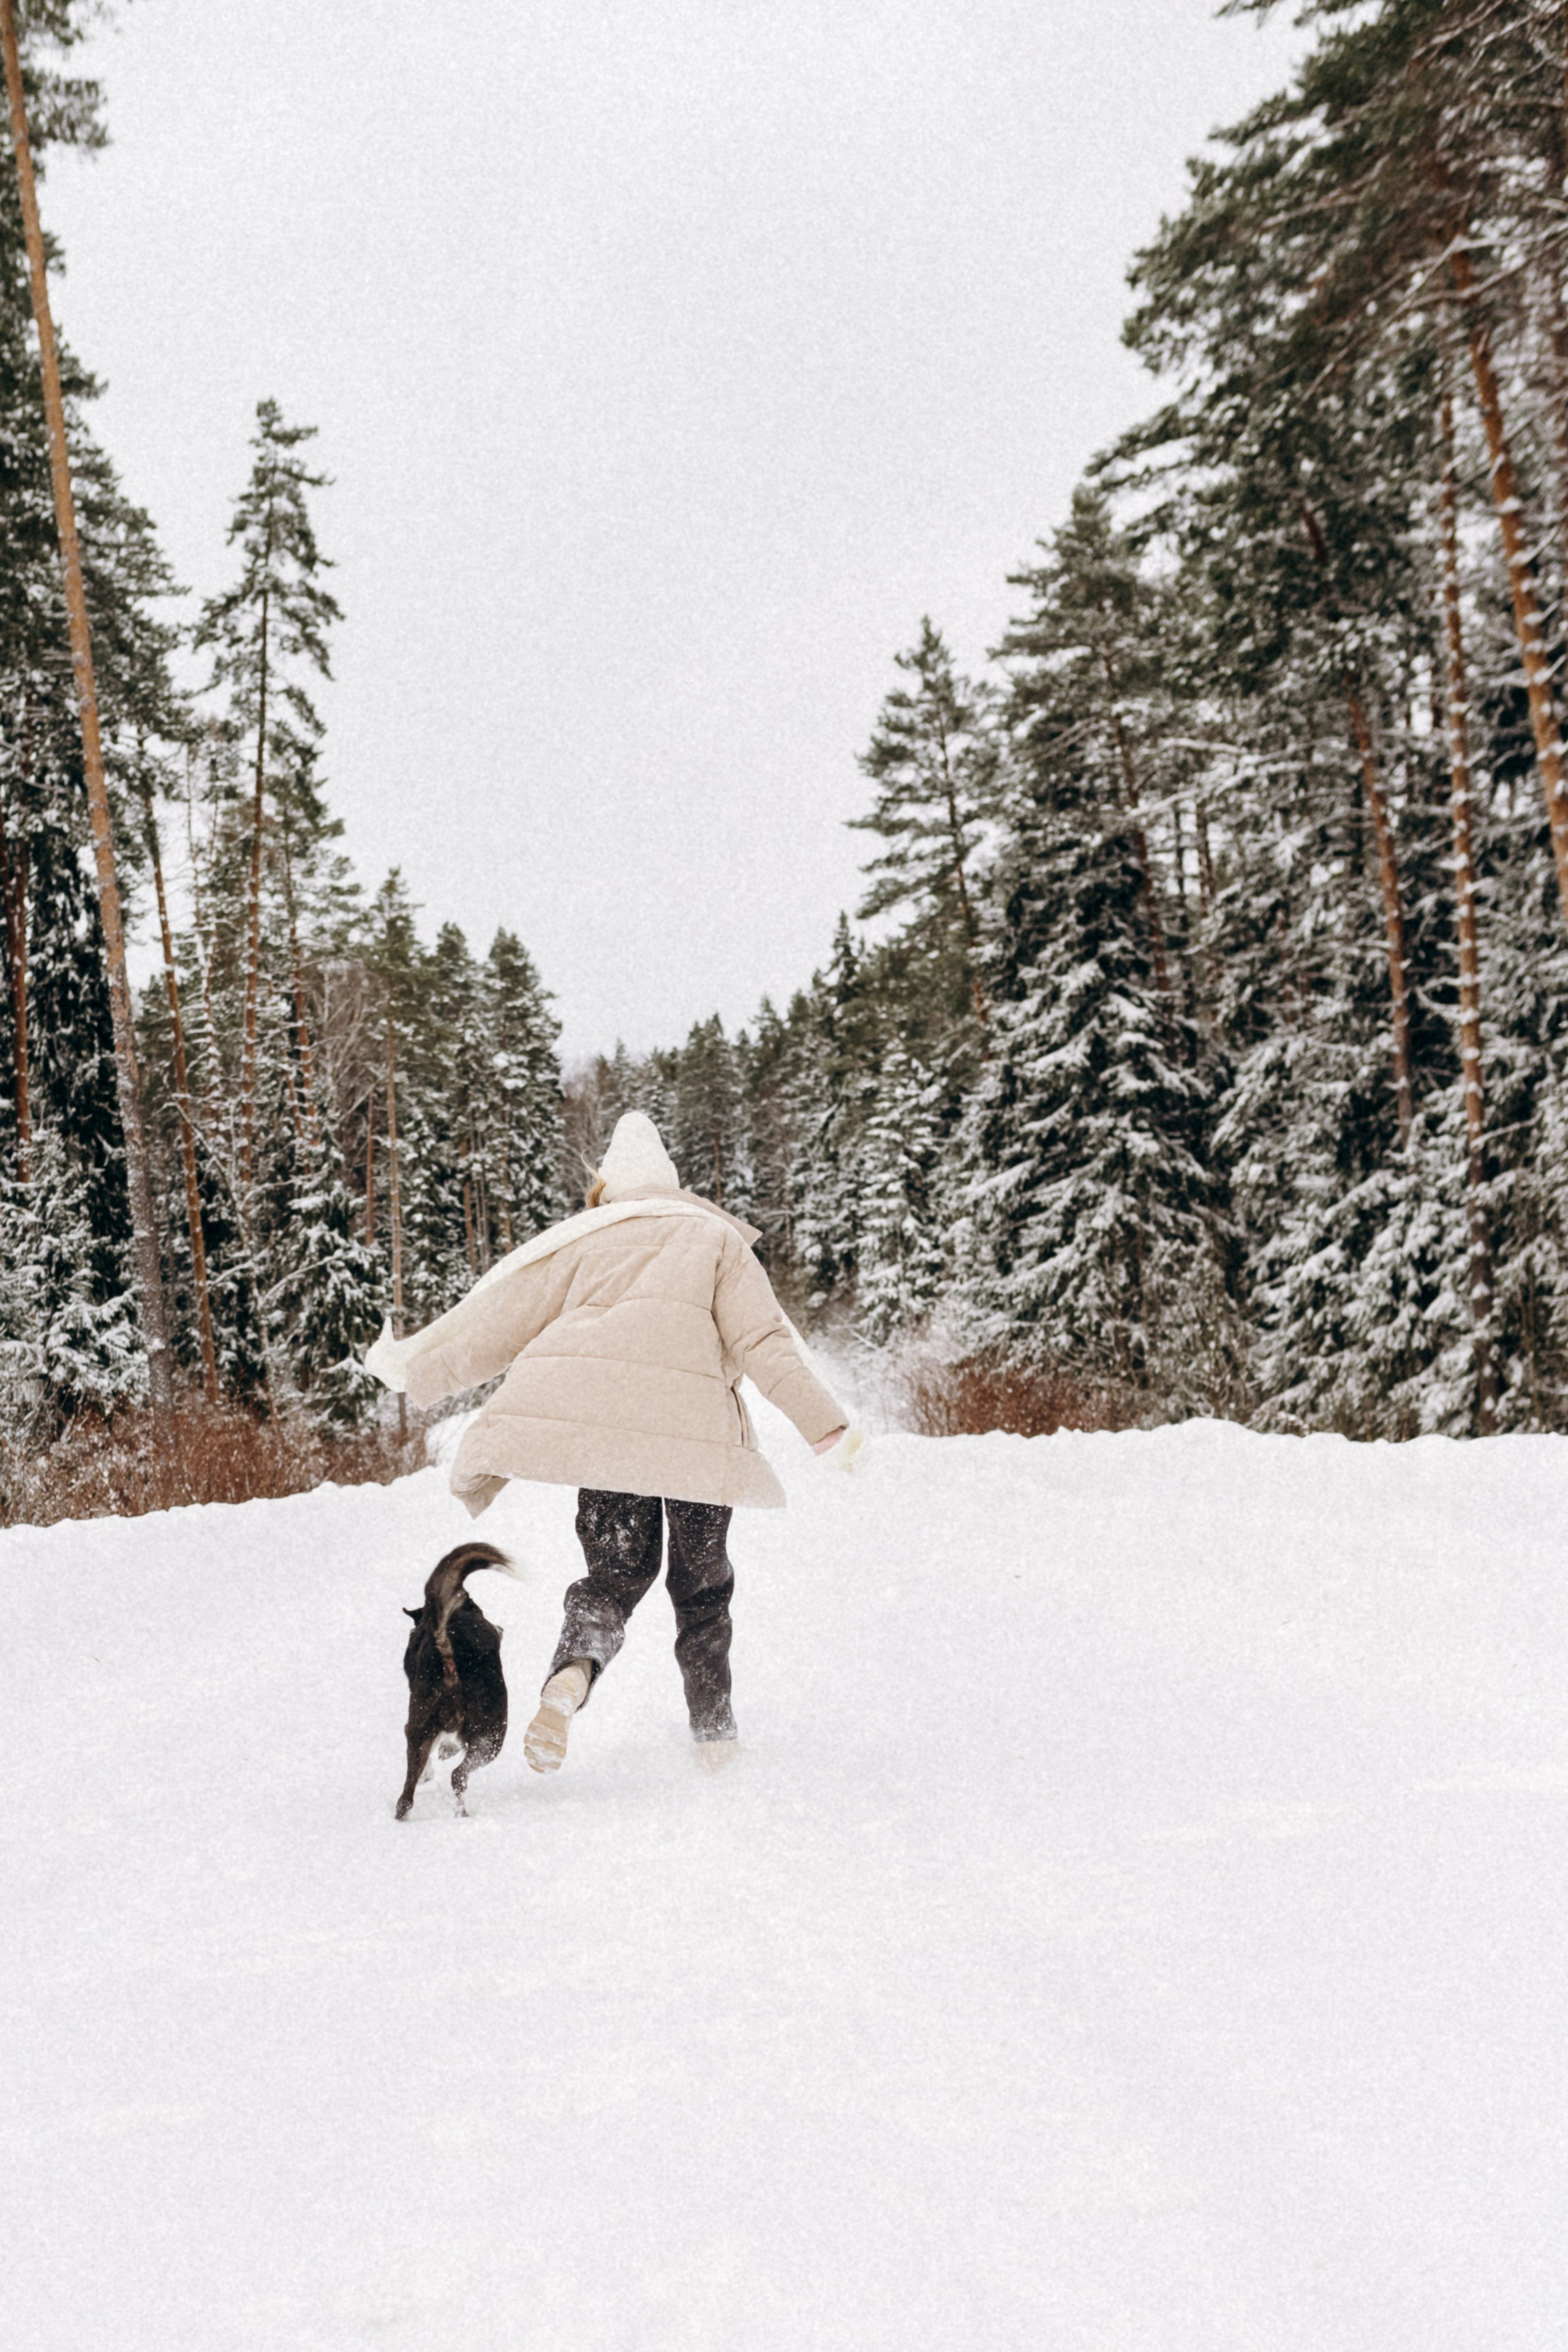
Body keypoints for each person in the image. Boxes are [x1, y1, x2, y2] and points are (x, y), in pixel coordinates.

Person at [365, 1111, 857, 1772]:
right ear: (673, 1185)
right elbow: (764, 1344)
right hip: (696, 1447)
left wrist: (420, 1376)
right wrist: (826, 1425)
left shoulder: (581, 1242)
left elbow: (495, 1334)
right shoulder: (715, 1240)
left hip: (609, 1442)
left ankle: (570, 1677)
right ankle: (715, 1739)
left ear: (608, 1191)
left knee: (612, 1579)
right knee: (702, 1592)